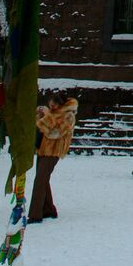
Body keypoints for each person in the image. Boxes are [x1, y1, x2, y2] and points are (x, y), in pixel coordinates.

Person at [28, 91, 78, 223]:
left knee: (40, 180)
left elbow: (54, 133)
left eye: (54, 103)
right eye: (50, 102)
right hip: (43, 149)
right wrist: (39, 115)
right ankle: (48, 209)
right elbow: (39, 126)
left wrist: (46, 116)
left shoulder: (68, 115)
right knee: (42, 179)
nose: (51, 105)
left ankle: (35, 214)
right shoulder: (52, 112)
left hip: (53, 152)